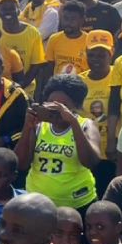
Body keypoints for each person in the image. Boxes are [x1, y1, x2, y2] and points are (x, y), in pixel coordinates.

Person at [17, 75, 100, 212]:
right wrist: (27, 127)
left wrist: (73, 122)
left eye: (62, 106)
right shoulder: (39, 126)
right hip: (38, 203)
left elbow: (91, 161)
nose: (55, 110)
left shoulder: (85, 125)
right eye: (51, 103)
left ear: (75, 106)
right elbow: (21, 163)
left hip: (77, 204)